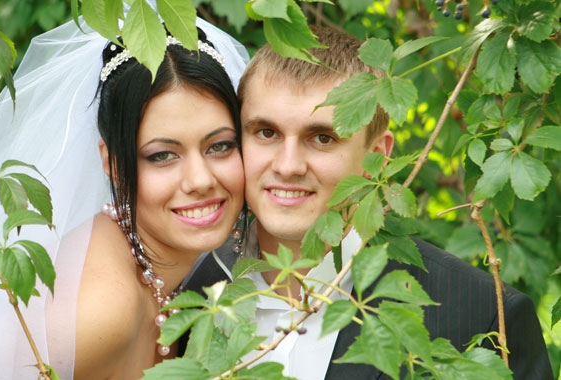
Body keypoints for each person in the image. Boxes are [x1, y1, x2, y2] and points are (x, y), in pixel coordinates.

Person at [0, 9, 249, 380]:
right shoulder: (102, 310)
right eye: (162, 155)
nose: (200, 179)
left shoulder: (174, 267)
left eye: (219, 146)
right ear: (112, 163)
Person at [221, 26, 552, 379]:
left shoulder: (478, 313)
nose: (288, 166)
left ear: (376, 156)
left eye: (321, 137)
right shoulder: (188, 287)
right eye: (266, 133)